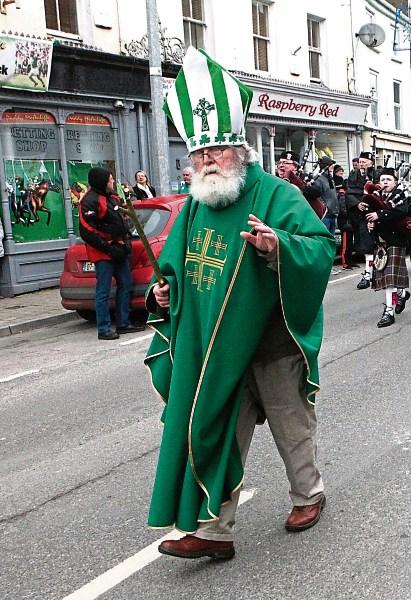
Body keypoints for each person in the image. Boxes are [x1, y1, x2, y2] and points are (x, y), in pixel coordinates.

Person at [146, 48, 334, 560]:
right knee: (217, 434)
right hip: (216, 352)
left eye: (218, 151)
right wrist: (162, 293)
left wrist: (278, 248)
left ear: (241, 150)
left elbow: (320, 248)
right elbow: (174, 272)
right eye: (200, 154)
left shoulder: (277, 194)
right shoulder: (194, 208)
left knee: (291, 427)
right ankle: (214, 532)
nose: (208, 161)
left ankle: (308, 495)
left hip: (272, 343)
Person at [77, 167, 144, 340]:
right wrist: (107, 247)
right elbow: (87, 230)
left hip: (118, 248)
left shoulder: (112, 197)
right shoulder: (89, 201)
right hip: (102, 252)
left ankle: (123, 322)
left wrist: (125, 242)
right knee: (103, 290)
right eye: (110, 179)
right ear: (102, 181)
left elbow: (123, 219)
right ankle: (104, 328)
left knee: (126, 284)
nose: (113, 181)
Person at [365, 167, 411, 327]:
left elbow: (401, 211)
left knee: (390, 280)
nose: (385, 182)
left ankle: (389, 312)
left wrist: (379, 215)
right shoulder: (376, 197)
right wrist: (371, 225)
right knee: (387, 277)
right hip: (381, 242)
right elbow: (370, 216)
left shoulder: (400, 195)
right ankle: (402, 294)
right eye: (383, 180)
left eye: (389, 180)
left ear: (395, 182)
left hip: (395, 240)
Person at [346, 151, 378, 289]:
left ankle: (379, 271)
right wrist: (357, 204)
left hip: (378, 214)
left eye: (364, 162)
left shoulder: (378, 175)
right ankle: (368, 274)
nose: (361, 164)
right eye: (360, 162)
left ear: (371, 163)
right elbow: (348, 193)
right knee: (366, 246)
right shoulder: (353, 176)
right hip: (362, 216)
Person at [310, 156, 338, 235]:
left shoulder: (330, 179)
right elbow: (316, 197)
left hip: (333, 214)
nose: (332, 167)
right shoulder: (318, 180)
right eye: (331, 165)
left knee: (331, 239)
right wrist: (325, 208)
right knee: (325, 238)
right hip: (325, 215)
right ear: (326, 167)